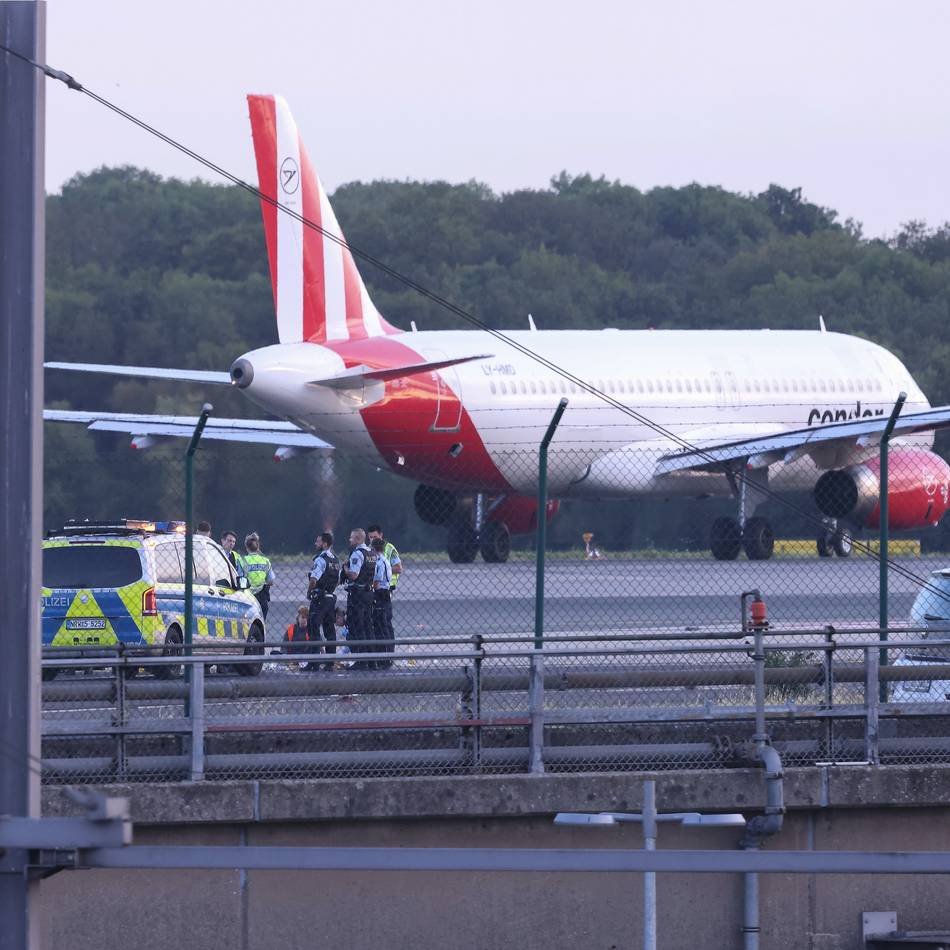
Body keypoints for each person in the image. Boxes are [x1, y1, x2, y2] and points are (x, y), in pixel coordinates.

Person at [343, 528, 377, 670]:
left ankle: (361, 660)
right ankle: (372, 661)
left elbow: (354, 575)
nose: (349, 540)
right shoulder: (372, 553)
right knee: (369, 627)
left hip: (358, 594)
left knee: (357, 626)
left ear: (357, 539)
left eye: (351, 538)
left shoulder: (357, 554)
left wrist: (345, 568)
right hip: (369, 592)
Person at [307, 531, 341, 671]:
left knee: (313, 628)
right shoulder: (335, 560)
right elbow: (338, 580)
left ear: (325, 543)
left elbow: (314, 579)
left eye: (318, 541)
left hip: (319, 598)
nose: (316, 544)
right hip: (331, 598)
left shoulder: (320, 559)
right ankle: (330, 662)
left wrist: (309, 591)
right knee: (330, 631)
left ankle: (314, 663)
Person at [370, 537, 394, 669]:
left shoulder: (378, 562)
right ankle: (387, 657)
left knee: (380, 627)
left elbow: (376, 581)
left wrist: (370, 590)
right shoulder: (385, 560)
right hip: (386, 593)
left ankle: (383, 659)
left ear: (374, 548)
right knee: (384, 626)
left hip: (380, 594)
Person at [243, 532, 275, 619]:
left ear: (246, 547)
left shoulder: (243, 561)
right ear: (258, 547)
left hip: (247, 596)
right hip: (262, 597)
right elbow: (271, 581)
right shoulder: (265, 561)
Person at [367, 524, 402, 593]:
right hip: (371, 587)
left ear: (381, 535)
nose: (373, 539)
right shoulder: (367, 549)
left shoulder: (389, 548)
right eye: (371, 537)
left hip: (386, 587)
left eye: (375, 537)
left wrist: (381, 570)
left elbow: (398, 569)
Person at [280, 604, 310, 671]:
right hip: (291, 656)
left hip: (305, 656)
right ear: (298, 617)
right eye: (303, 617)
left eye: (307, 618)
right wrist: (284, 655)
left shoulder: (311, 630)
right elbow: (284, 644)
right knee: (274, 653)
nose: (305, 620)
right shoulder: (291, 628)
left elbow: (317, 647)